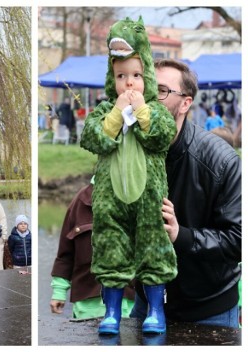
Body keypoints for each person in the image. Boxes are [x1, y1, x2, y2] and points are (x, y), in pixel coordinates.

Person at [80, 17, 177, 335]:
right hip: (112, 201)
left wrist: (142, 113)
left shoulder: (158, 109)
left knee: (153, 250)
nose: (130, 83)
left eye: (136, 75)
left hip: (149, 202)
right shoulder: (105, 109)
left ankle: (155, 312)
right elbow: (92, 138)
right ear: (113, 79)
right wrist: (116, 114)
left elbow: (163, 136)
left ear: (147, 75)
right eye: (122, 76)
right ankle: (110, 313)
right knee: (111, 251)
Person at [129, 58, 241, 329]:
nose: (151, 99)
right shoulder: (131, 150)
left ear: (185, 103)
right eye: (149, 89)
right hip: (145, 303)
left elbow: (238, 239)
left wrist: (182, 236)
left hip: (207, 308)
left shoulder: (221, 161)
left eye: (163, 91)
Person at [50, 183, 135, 320]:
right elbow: (66, 253)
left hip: (128, 304)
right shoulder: (80, 202)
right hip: (87, 306)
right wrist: (59, 292)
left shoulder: (137, 196)